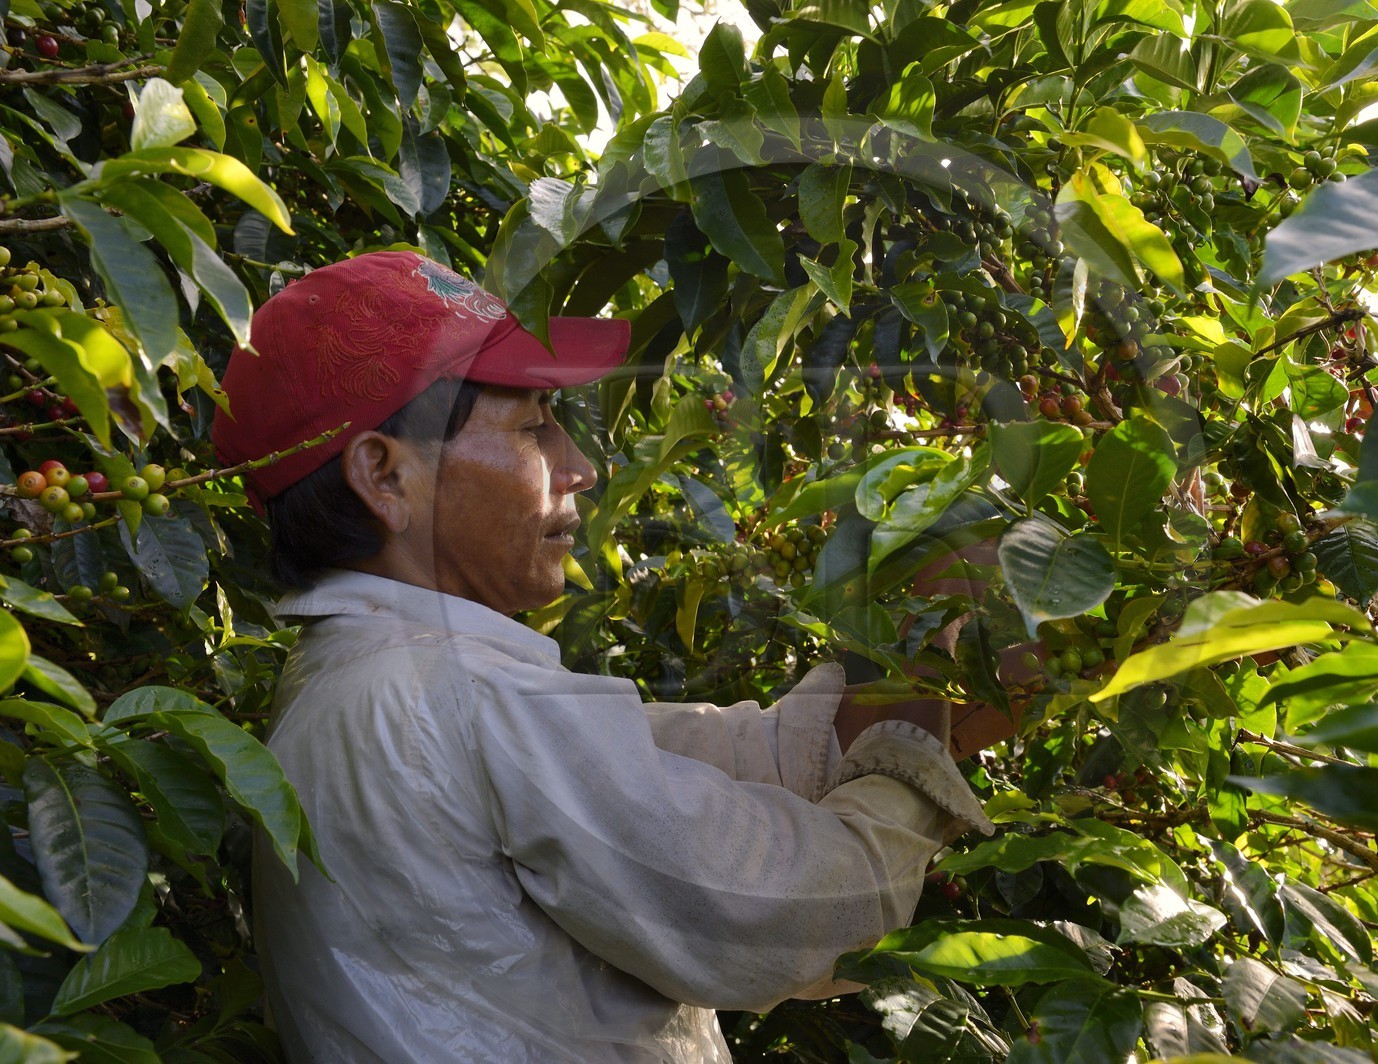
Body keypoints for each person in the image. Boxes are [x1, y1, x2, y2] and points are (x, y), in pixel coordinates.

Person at [213, 250, 1013, 1063]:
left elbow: (681, 768)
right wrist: (920, 714)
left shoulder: (356, 679)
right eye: (533, 428)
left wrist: (901, 677)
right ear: (386, 475)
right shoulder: (461, 692)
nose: (579, 468)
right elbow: (788, 913)